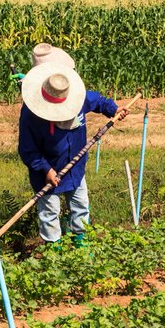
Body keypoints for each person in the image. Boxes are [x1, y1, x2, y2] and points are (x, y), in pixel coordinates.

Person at [17, 59, 126, 249]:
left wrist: (114, 109)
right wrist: (46, 169)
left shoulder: (78, 98)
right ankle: (53, 250)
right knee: (50, 212)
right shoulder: (30, 113)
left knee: (80, 206)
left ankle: (80, 245)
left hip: (75, 166)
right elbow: (27, 149)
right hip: (46, 173)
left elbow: (97, 100)